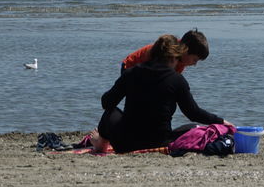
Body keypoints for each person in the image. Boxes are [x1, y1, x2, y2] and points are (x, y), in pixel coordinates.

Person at [95, 34, 226, 153]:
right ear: (175, 56)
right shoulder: (177, 79)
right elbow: (192, 112)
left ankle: (100, 146)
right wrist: (221, 121)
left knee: (111, 112)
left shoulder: (131, 73)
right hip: (159, 142)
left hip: (125, 144)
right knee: (194, 127)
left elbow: (106, 102)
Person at [121, 28, 209, 74]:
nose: (195, 64)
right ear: (185, 50)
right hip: (130, 66)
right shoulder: (166, 52)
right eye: (195, 60)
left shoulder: (182, 61)